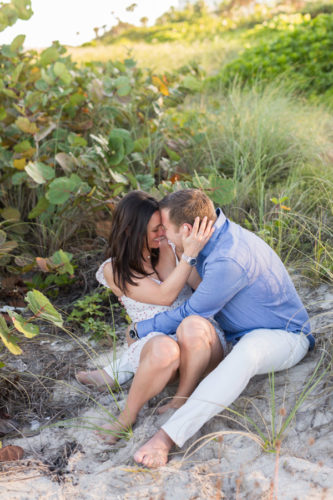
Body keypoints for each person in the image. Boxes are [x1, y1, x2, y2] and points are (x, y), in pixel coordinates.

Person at [132, 189, 314, 468]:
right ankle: (112, 372)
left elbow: (192, 310)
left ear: (188, 229)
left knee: (247, 352)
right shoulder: (211, 239)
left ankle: (166, 437)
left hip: (284, 337)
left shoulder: (228, 258)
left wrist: (142, 328)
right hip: (238, 334)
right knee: (188, 333)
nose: (164, 237)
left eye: (166, 229)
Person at [76, 191, 226, 443]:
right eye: (156, 229)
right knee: (163, 348)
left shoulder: (168, 248)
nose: (163, 233)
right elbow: (164, 296)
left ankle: (181, 399)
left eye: (163, 227)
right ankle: (126, 417)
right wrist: (188, 255)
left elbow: (201, 290)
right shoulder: (114, 269)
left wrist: (183, 253)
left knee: (188, 329)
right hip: (157, 346)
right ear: (131, 231)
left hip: (199, 343)